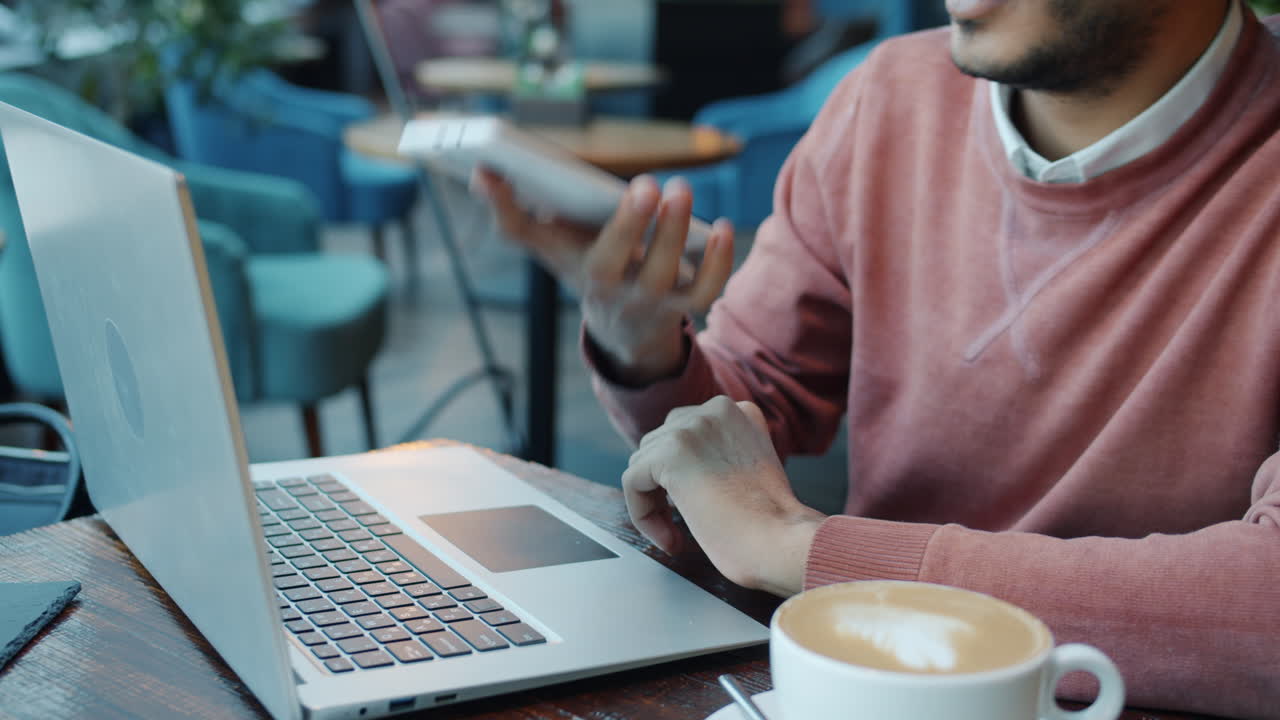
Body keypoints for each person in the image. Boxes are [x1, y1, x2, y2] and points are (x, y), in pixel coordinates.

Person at [471, 1, 1280, 717]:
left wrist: (800, 549)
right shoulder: (891, 93)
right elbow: (752, 405)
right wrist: (642, 342)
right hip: (855, 683)